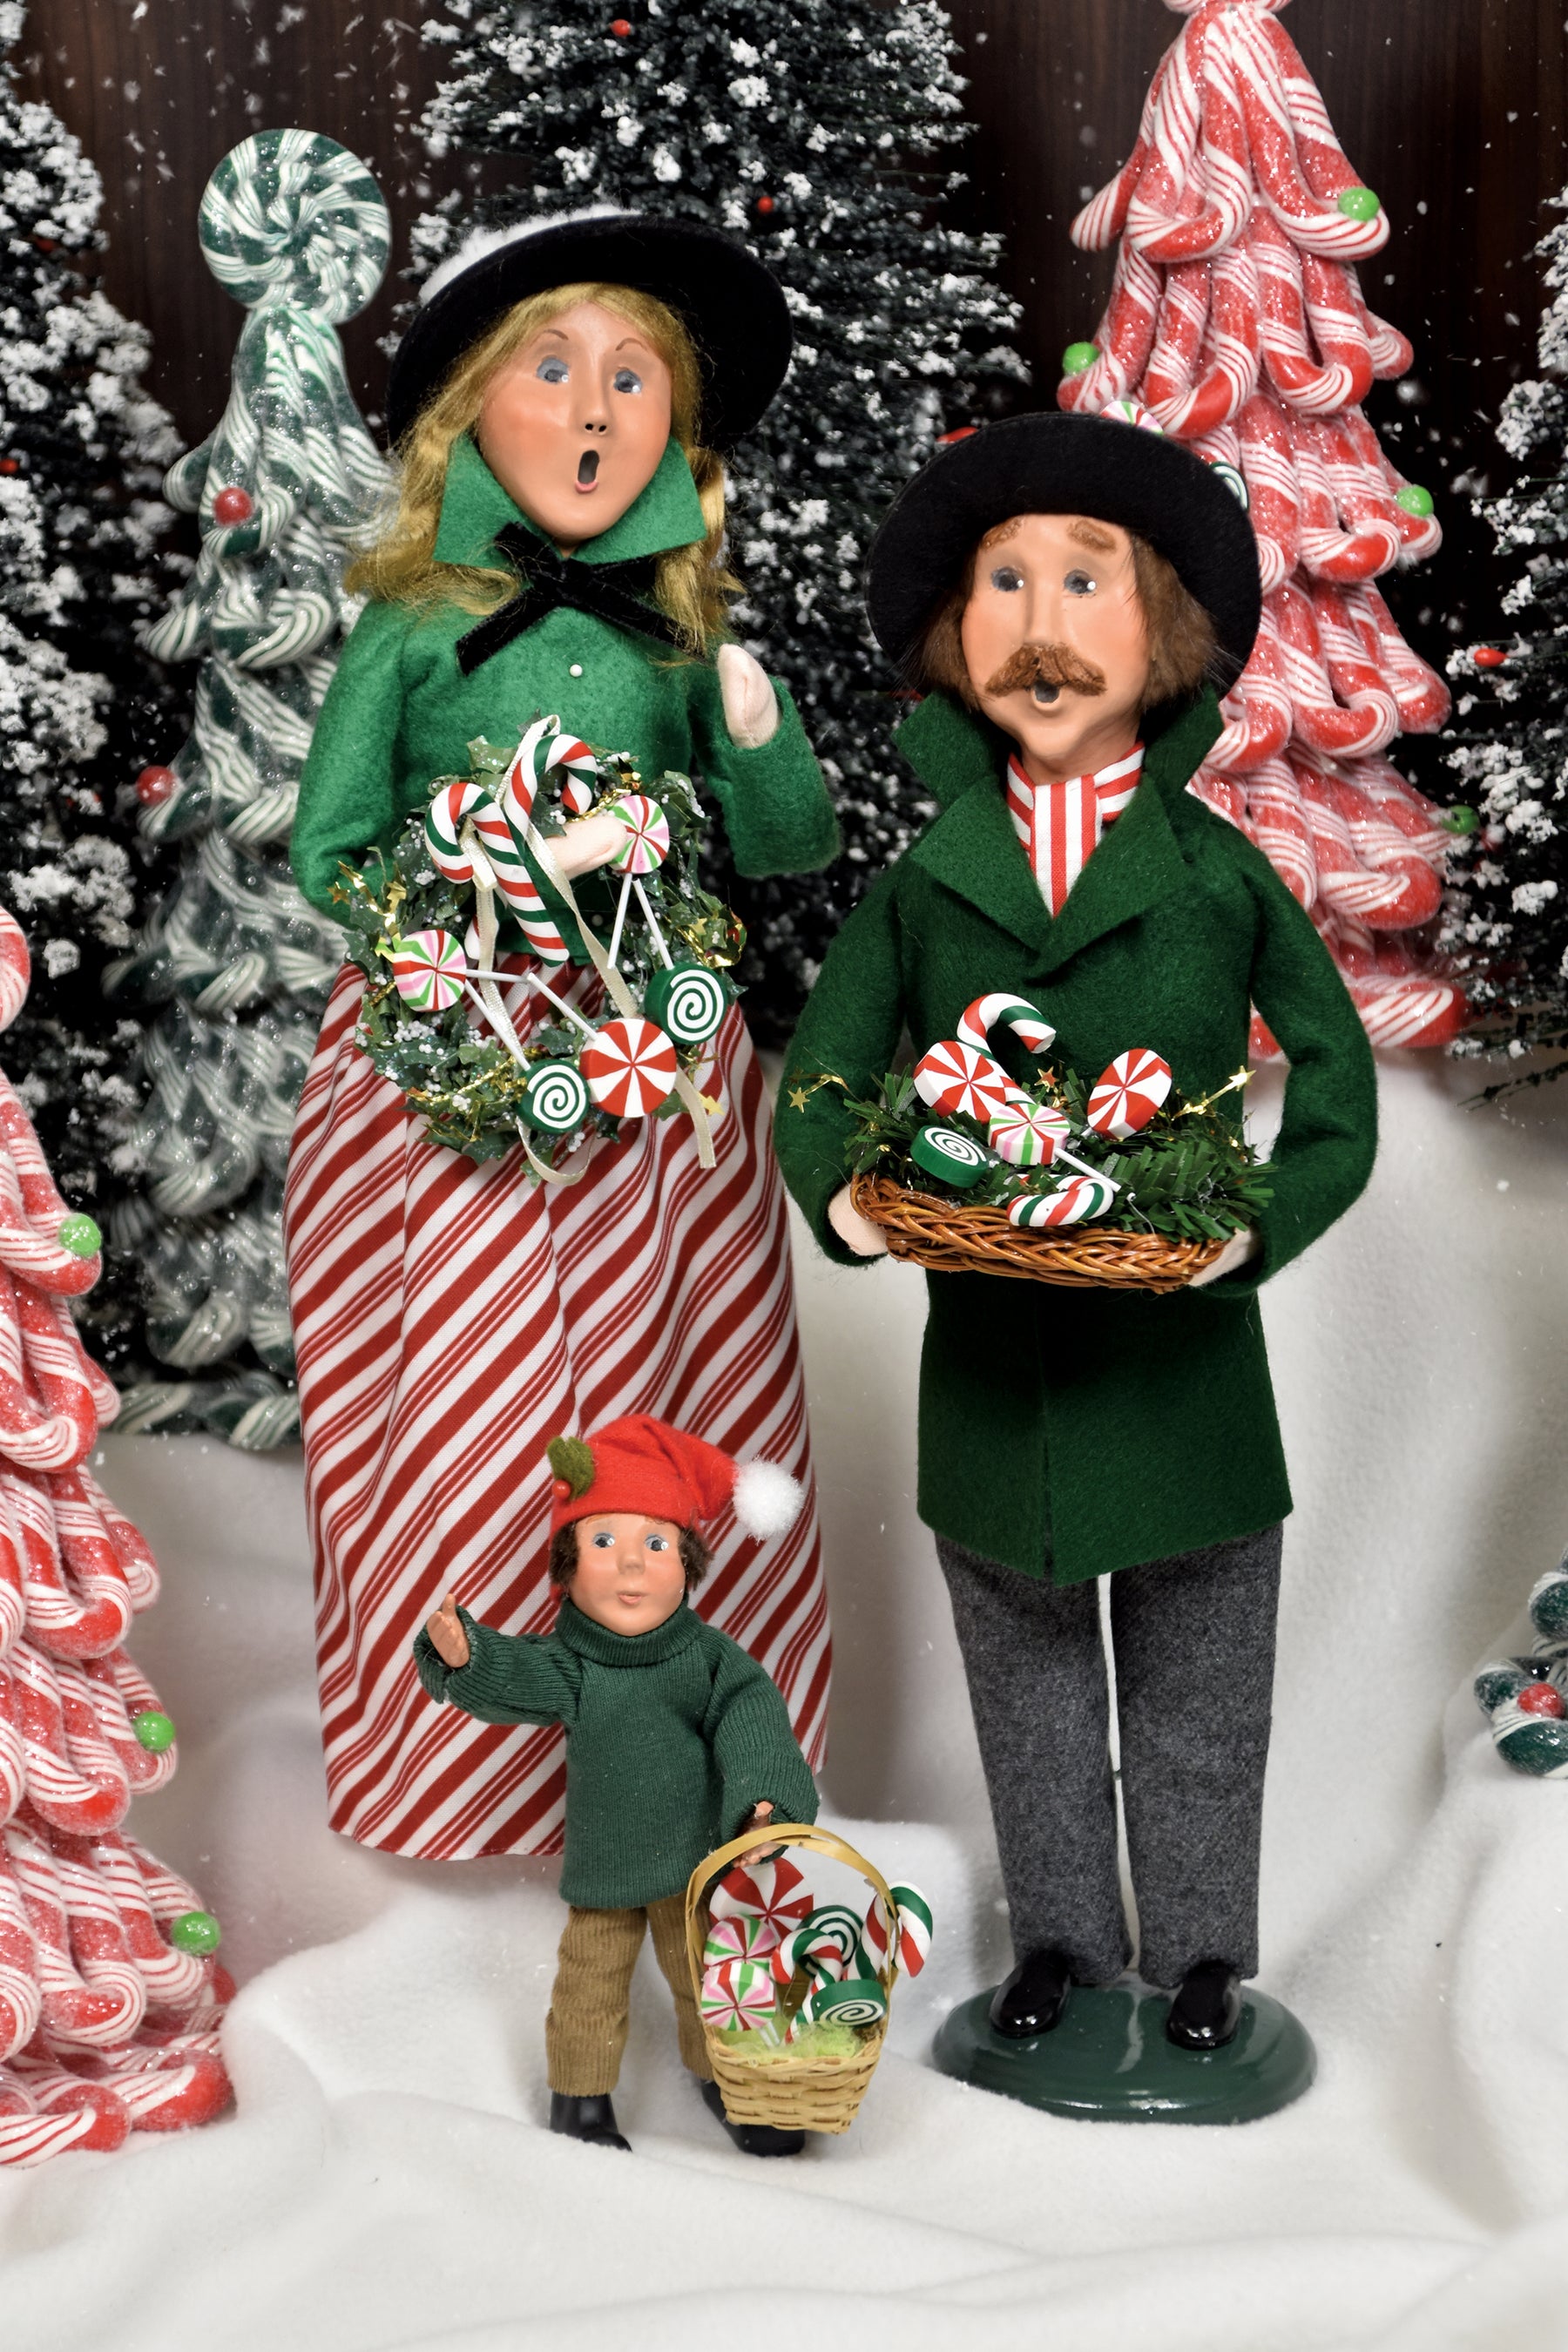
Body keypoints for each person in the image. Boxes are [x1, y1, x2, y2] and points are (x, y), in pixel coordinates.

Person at [774, 409, 1377, 2058]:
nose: (1042, 629)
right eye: (1005, 583)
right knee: (1028, 1682)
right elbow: (826, 1072)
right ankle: (1058, 1938)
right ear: (953, 635)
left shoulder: (1217, 875)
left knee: (1200, 1676)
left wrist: (1252, 1228)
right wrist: (848, 1193)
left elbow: (1333, 1082)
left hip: (1184, 1373)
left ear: (1166, 628)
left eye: (1086, 582)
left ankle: (1203, 1950)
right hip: (999, 1374)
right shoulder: (927, 880)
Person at [285, 210, 837, 1869]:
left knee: (681, 1375)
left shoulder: (681, 637)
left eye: (632, 375)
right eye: (551, 366)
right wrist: (452, 902)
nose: (594, 409)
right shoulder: (408, 632)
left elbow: (787, 848)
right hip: (450, 1058)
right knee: (464, 1396)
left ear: (677, 427)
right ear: (471, 410)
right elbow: (330, 847)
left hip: (655, 1059)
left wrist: (756, 736)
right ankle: (457, 1781)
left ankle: (706, 1761)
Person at [416, 1414, 818, 2155]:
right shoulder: (573, 1664)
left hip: (695, 1862)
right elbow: (515, 1675)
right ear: (566, 1570)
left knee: (711, 1977)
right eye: (604, 1542)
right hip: (606, 1867)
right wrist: (468, 1654)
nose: (631, 1564)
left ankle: (728, 2082)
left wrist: (764, 1801)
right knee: (589, 1987)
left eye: (655, 1545)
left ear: (688, 1566)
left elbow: (752, 1720)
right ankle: (580, 2101)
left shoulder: (708, 1661)